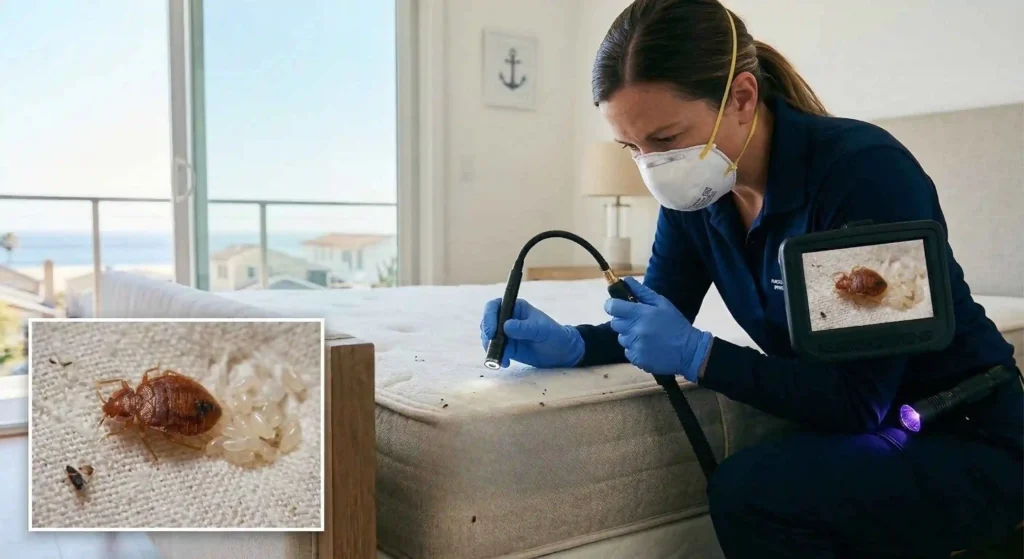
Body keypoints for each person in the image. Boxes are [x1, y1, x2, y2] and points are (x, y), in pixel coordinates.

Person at [479, 1, 1023, 557]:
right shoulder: (698, 198)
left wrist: (700, 355)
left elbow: (857, 402)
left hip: (964, 432)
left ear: (741, 98)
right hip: (881, 428)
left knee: (750, 492)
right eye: (632, 148)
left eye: (665, 139)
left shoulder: (861, 176)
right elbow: (657, 320)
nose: (652, 167)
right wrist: (574, 345)